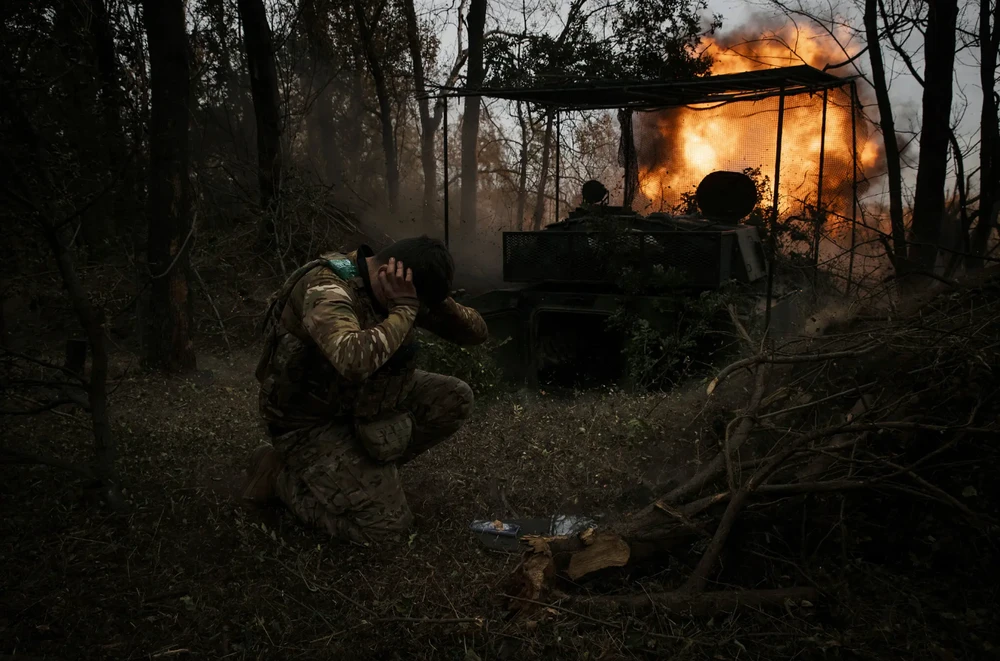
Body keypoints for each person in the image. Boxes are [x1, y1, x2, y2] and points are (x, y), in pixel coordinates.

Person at [242, 236, 489, 544]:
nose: (416, 310)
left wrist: (437, 301)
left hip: (361, 401)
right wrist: (404, 311)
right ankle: (278, 475)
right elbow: (353, 360)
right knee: (385, 531)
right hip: (307, 421)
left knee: (454, 397)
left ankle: (360, 476)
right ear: (389, 271)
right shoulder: (326, 288)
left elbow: (476, 333)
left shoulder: (399, 289)